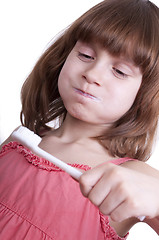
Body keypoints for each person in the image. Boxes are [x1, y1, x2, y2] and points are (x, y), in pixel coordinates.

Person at [0, 0, 159, 239]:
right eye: (85, 55)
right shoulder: (17, 144)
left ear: (145, 93)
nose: (92, 74)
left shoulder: (133, 178)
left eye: (120, 71)